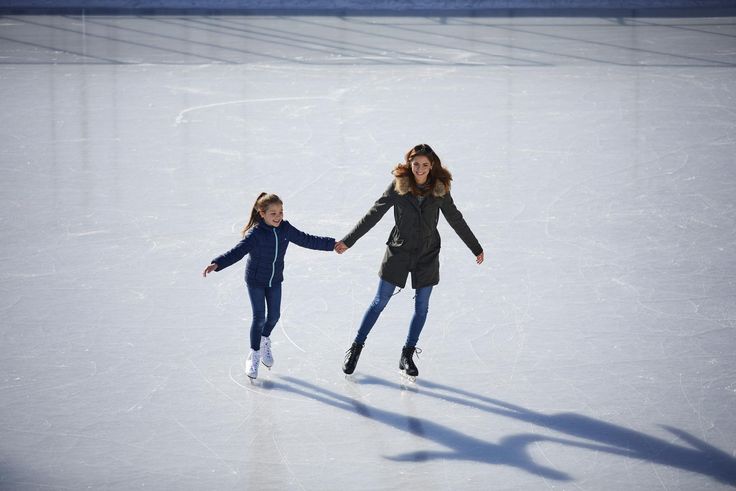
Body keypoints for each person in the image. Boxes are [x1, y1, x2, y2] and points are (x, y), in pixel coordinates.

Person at [335, 144, 484, 378]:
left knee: (422, 307)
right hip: (398, 251)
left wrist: (475, 247)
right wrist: (348, 241)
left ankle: (407, 354)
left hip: (427, 253)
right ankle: (356, 348)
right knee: (379, 301)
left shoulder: (439, 188)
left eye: (425, 165)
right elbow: (374, 213)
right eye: (416, 164)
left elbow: (455, 218)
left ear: (432, 165)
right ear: (409, 164)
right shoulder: (399, 186)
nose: (420, 169)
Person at [203, 193, 336, 380]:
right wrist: (218, 263)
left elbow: (307, 239)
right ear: (262, 213)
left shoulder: (285, 229)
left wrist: (332, 245)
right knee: (259, 318)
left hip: (275, 280)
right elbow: (238, 252)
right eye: (273, 213)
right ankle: (254, 353)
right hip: (255, 281)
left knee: (274, 316)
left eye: (281, 212)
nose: (278, 216)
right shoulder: (255, 234)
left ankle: (264, 339)